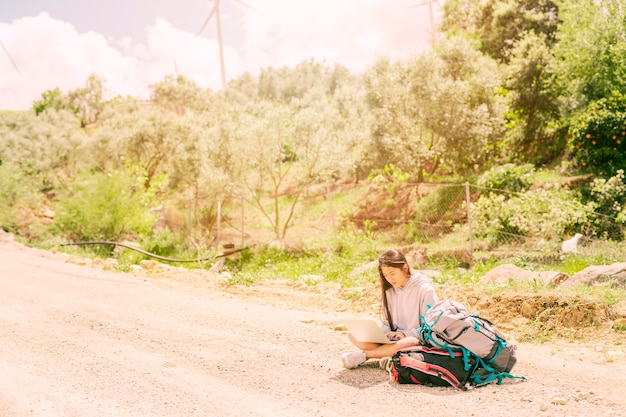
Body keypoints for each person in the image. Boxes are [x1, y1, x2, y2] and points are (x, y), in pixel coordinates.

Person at [341, 248, 438, 369]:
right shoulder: (389, 291)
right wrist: (384, 333)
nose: (390, 279)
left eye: (392, 274)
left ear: (405, 267)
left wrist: (404, 334)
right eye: (386, 275)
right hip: (392, 341)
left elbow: (430, 328)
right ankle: (389, 356)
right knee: (353, 334)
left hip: (413, 340)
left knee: (408, 342)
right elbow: (387, 323)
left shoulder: (425, 290)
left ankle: (365, 355)